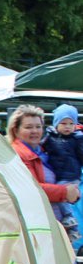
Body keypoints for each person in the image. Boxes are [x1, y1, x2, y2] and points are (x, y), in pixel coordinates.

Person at [7, 105, 80, 217]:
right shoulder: (17, 154)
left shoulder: (43, 151)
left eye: (38, 126)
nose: (35, 131)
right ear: (15, 130)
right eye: (28, 127)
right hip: (34, 219)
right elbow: (30, 188)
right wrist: (65, 192)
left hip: (51, 217)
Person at [41, 104, 83, 243]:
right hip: (58, 173)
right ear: (56, 123)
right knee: (59, 194)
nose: (67, 127)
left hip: (70, 175)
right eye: (63, 123)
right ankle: (71, 227)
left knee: (62, 194)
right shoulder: (50, 137)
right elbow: (41, 148)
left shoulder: (77, 139)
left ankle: (70, 219)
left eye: (71, 123)